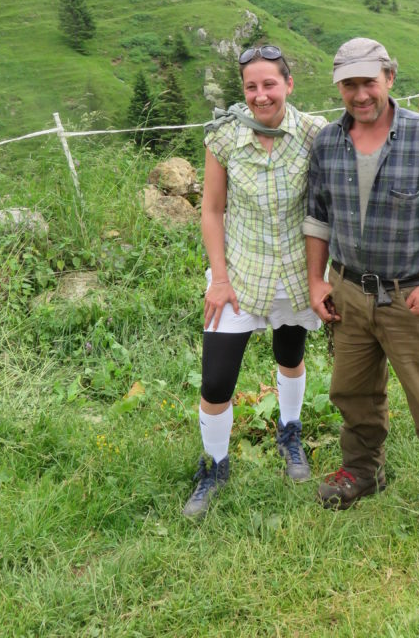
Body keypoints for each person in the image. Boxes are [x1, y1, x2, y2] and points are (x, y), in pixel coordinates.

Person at [303, 37, 419, 553]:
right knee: (352, 393)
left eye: (369, 82)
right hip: (349, 294)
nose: (360, 95)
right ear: (339, 85)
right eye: (350, 84)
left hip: (410, 298)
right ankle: (363, 471)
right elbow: (317, 217)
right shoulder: (327, 143)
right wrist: (318, 282)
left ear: (389, 80)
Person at [183, 44, 327, 518]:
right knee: (216, 380)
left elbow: (327, 208)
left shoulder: (314, 134)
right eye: (251, 86)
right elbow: (212, 210)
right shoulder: (224, 138)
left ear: (288, 84)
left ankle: (290, 433)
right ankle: (215, 465)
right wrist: (219, 279)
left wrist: (322, 277)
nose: (261, 95)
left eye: (270, 84)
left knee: (291, 356)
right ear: (242, 91)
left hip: (295, 273)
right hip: (240, 276)